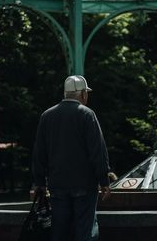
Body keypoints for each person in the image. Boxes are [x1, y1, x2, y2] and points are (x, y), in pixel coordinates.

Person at [32, 75, 111, 241]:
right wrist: (104, 181)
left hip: (57, 185)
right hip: (84, 184)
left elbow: (39, 153)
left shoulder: (47, 116)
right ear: (83, 94)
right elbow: (98, 151)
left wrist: (39, 182)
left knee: (59, 232)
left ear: (66, 93)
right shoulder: (87, 114)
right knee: (85, 230)